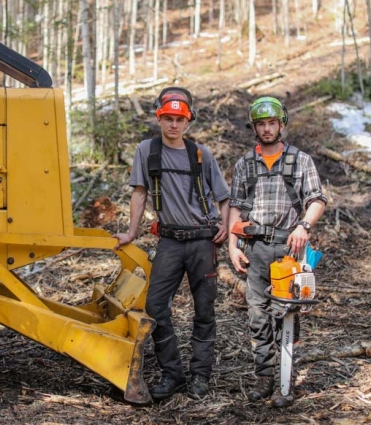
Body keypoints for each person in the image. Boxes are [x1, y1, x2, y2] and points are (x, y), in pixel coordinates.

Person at [114, 87, 230, 400]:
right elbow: (139, 192)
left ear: (188, 122)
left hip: (202, 242)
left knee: (204, 309)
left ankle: (200, 376)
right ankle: (173, 373)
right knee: (154, 306)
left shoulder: (200, 154)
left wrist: (226, 226)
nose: (173, 125)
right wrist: (131, 233)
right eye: (168, 118)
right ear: (159, 119)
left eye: (179, 119)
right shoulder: (147, 151)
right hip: (169, 240)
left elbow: (223, 197)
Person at [227, 96, 327, 408]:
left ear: (281, 125)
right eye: (261, 124)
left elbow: (317, 200)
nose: (267, 129)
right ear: (254, 128)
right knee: (258, 313)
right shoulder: (245, 164)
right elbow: (236, 207)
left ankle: (287, 379)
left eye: (272, 123)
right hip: (256, 247)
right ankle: (264, 375)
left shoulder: (301, 160)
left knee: (289, 314)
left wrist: (304, 227)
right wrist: (232, 245)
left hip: (291, 248)